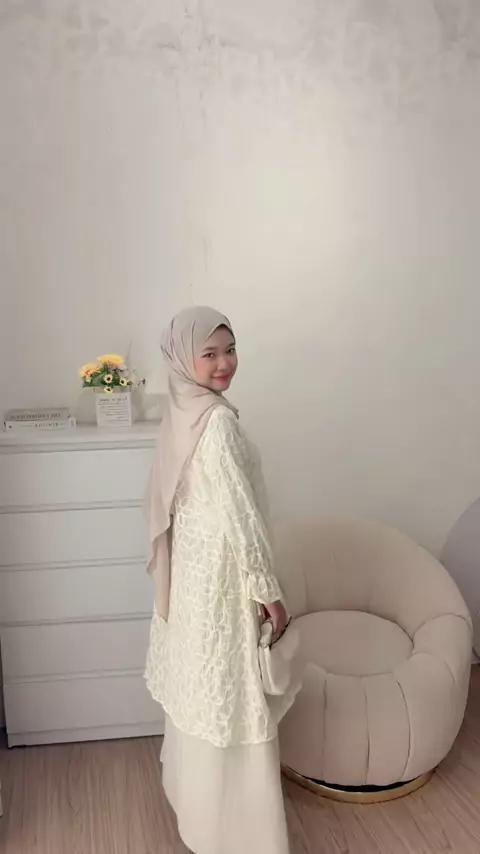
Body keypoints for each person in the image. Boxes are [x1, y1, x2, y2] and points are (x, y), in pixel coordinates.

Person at [145, 306, 298, 854]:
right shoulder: (217, 423)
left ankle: (200, 814)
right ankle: (238, 836)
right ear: (182, 359)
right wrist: (269, 593)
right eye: (208, 353)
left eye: (229, 349)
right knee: (231, 693)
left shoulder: (182, 411)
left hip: (192, 579)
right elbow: (241, 517)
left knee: (202, 690)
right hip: (223, 581)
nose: (224, 363)